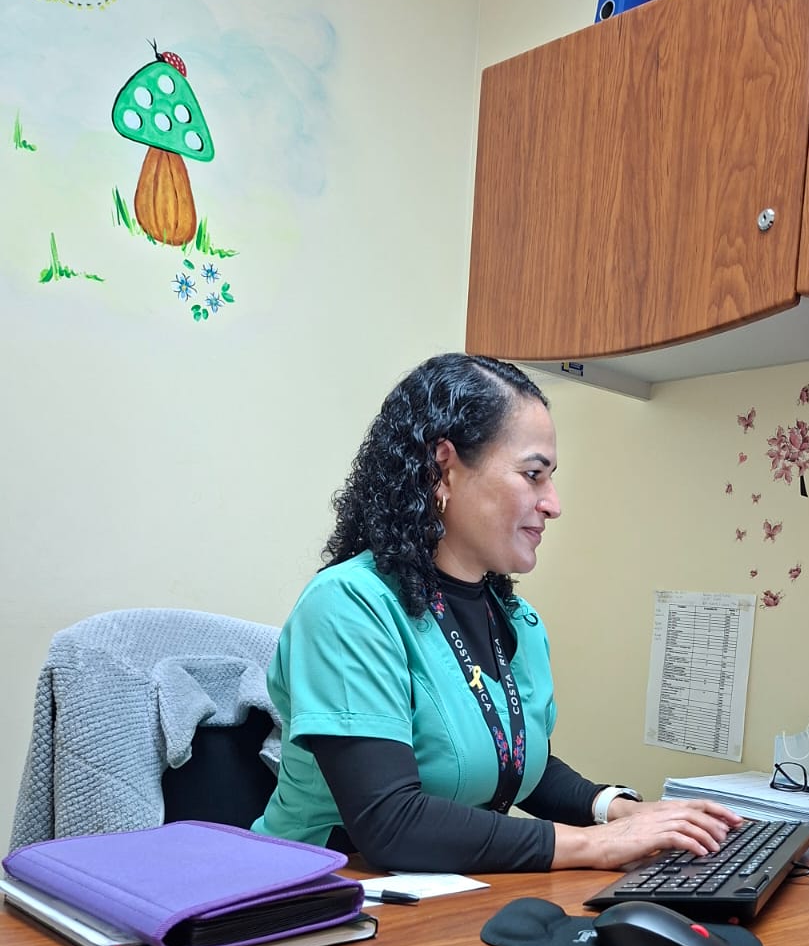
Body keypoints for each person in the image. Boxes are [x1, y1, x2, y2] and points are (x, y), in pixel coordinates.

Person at [253, 353, 741, 873]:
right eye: (533, 475)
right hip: (312, 898)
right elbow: (391, 823)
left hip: (445, 897)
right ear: (443, 468)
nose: (553, 504)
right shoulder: (348, 605)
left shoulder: (514, 620)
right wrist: (598, 845)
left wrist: (623, 811)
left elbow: (518, 765)